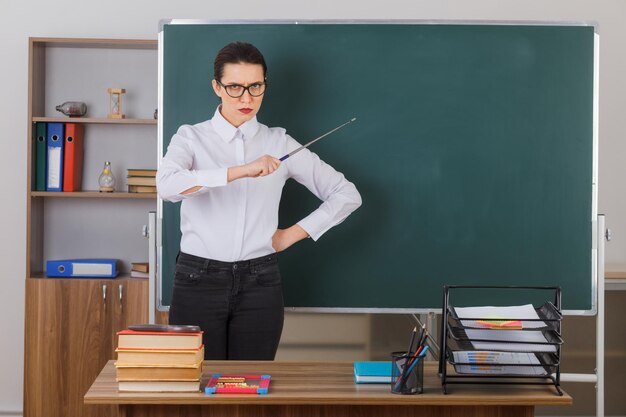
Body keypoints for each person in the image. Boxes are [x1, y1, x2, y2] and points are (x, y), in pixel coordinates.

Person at [156, 41, 361, 360]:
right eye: (235, 87)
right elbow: (167, 187)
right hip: (197, 280)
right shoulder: (190, 138)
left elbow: (346, 194)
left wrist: (290, 235)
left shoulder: (279, 141)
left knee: (252, 386)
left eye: (255, 86)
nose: (247, 98)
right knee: (195, 387)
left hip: (260, 282)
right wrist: (240, 171)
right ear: (217, 87)